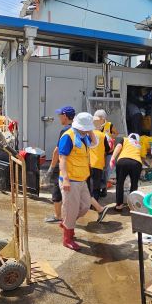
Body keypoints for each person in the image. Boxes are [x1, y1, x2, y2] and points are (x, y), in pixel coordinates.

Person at [58, 112, 98, 251]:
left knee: (85, 206)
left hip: (82, 179)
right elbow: (62, 158)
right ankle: (67, 238)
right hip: (71, 180)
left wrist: (89, 129)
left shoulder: (84, 136)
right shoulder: (69, 136)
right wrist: (66, 180)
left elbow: (95, 142)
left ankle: (67, 223)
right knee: (71, 210)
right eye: (87, 127)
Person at [44, 106, 75, 224]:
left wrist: (51, 168)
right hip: (75, 166)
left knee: (56, 190)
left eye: (60, 115)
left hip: (64, 164)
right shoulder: (78, 129)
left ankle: (58, 216)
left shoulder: (65, 131)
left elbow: (57, 151)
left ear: (65, 116)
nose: (58, 118)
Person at [110, 134, 143, 211]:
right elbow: (141, 156)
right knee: (134, 184)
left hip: (123, 161)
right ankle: (132, 206)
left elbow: (118, 147)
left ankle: (119, 205)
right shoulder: (139, 145)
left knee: (120, 183)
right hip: (136, 163)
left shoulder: (124, 139)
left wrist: (113, 158)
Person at [93, 109, 117, 198]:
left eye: (98, 118)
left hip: (108, 152)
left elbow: (116, 133)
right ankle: (97, 189)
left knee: (106, 171)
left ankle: (104, 189)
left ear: (102, 118)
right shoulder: (94, 125)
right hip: (98, 153)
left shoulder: (109, 125)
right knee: (98, 171)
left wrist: (111, 138)